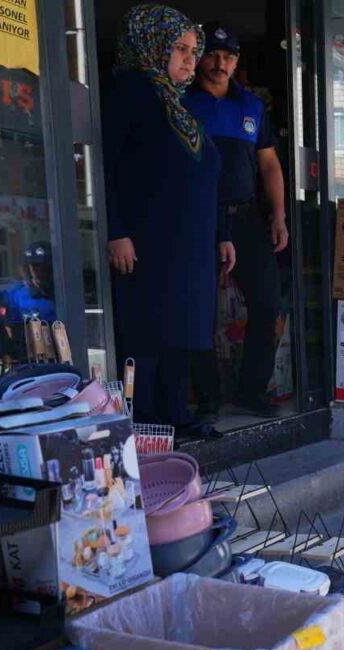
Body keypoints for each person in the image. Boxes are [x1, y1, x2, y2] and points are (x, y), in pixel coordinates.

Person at [103, 4, 233, 438]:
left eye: (193, 51)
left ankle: (177, 415)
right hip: (149, 238)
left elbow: (205, 178)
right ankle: (144, 420)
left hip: (190, 244)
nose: (189, 59)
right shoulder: (134, 92)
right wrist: (116, 229)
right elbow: (109, 166)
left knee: (182, 332)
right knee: (149, 332)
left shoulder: (177, 104)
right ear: (153, 46)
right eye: (180, 48)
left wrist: (222, 235)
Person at [183, 23, 287, 418]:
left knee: (267, 304)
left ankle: (251, 391)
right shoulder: (182, 102)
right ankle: (207, 396)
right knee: (199, 310)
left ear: (236, 61)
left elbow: (270, 165)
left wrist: (278, 216)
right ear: (198, 58)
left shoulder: (250, 106)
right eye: (211, 55)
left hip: (245, 218)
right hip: (198, 219)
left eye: (228, 57)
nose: (219, 64)